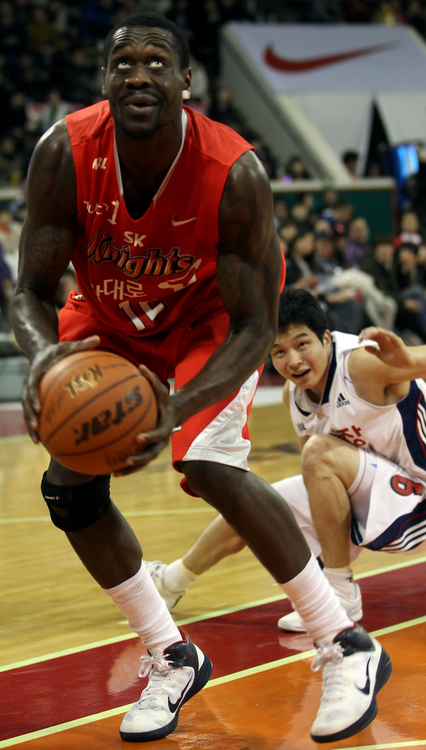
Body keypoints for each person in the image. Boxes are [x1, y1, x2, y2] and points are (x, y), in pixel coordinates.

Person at [11, 13, 390, 745]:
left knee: (207, 460)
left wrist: (173, 406)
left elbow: (256, 326)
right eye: (123, 65)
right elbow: (30, 288)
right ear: (105, 80)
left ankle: (344, 642)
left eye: (158, 64)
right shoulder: (64, 151)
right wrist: (43, 361)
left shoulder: (234, 171)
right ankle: (171, 656)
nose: (140, 76)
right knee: (68, 490)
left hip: (211, 318)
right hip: (111, 314)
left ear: (187, 82)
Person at [148, 289, 426, 639]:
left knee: (318, 454)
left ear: (326, 338)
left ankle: (339, 595)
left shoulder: (361, 363)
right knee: (256, 502)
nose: (292, 360)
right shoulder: (293, 396)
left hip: (418, 497)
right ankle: (171, 582)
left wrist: (406, 360)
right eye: (279, 352)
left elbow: (320, 462)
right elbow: (322, 491)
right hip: (384, 497)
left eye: (302, 344)